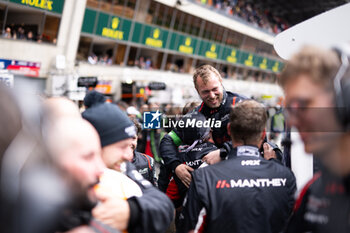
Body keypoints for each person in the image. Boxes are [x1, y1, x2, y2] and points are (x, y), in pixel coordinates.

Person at [179, 100, 296, 233]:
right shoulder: (285, 176)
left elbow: (189, 229)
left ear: (229, 129)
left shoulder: (204, 177)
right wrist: (274, 166)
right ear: (263, 134)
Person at [280, 45, 350, 233]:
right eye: (290, 109)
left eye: (302, 105)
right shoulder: (313, 191)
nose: (293, 121)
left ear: (342, 100)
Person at [82, 99, 174, 233]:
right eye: (121, 147)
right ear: (98, 145)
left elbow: (163, 204)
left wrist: (133, 211)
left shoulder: (125, 166)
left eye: (132, 143)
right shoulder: (71, 176)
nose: (128, 155)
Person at [130, 118, 156, 185]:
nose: (129, 142)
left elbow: (153, 188)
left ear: (137, 138)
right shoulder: (108, 164)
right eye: (125, 138)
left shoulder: (148, 161)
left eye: (133, 138)